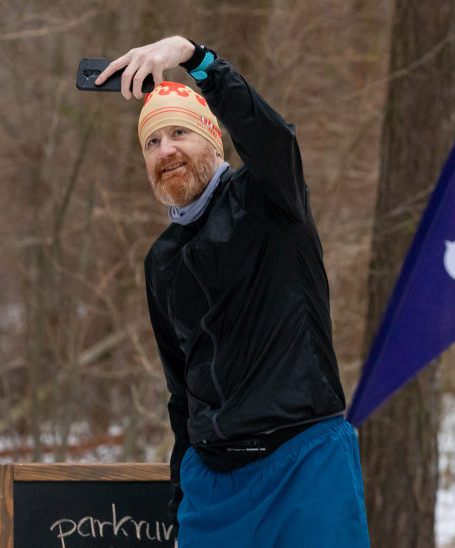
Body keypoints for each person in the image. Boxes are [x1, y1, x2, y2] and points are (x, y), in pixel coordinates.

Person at [98, 36, 370, 547]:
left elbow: (271, 138)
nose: (166, 150)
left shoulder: (270, 200)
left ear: (212, 140)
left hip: (305, 460)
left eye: (179, 132)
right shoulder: (161, 261)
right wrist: (184, 487)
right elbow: (181, 388)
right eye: (152, 142)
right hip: (214, 484)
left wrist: (194, 57)